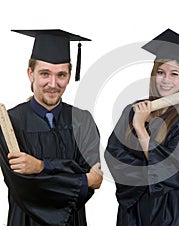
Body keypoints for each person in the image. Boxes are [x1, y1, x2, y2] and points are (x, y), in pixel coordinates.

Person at [104, 29, 179, 225]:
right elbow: (114, 156)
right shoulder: (132, 110)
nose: (165, 79)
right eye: (160, 72)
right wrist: (150, 171)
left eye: (174, 74)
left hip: (171, 212)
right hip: (133, 210)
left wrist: (140, 128)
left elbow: (169, 169)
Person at [0, 29, 103, 225]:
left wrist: (40, 166)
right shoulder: (9, 123)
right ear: (31, 74)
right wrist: (81, 179)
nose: (53, 84)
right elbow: (24, 188)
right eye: (45, 74)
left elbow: (93, 182)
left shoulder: (83, 121)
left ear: (70, 75)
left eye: (61, 75)